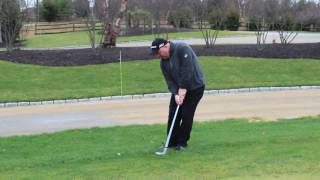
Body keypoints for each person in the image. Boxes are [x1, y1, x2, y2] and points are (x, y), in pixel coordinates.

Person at [150, 38, 205, 151]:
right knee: (173, 114)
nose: (158, 56)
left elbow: (187, 69)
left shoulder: (182, 49)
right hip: (179, 89)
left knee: (186, 114)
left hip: (195, 87)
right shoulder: (163, 63)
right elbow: (169, 80)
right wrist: (175, 93)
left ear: (165, 46)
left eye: (158, 53)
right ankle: (171, 141)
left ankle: (182, 143)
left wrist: (183, 88)